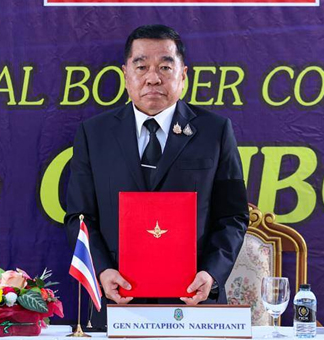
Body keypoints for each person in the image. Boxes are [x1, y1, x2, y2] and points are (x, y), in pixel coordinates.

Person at [65, 24, 248, 323]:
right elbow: (79, 217)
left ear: (183, 75)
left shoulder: (214, 132)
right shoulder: (94, 134)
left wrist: (211, 274)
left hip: (194, 302)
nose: (153, 78)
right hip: (117, 301)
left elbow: (233, 216)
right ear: (125, 74)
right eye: (141, 67)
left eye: (165, 67)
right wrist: (103, 270)